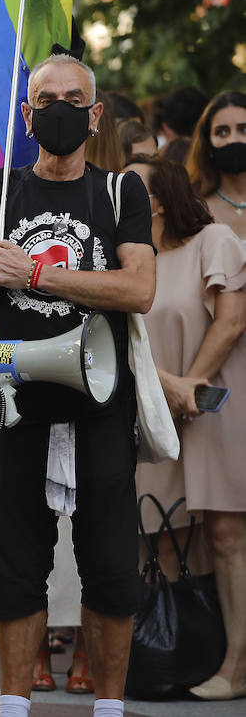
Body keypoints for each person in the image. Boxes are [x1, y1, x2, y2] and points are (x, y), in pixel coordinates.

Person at [0, 53, 156, 717]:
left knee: (113, 564)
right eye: (45, 99)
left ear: (94, 116)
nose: (57, 109)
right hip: (16, 403)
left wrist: (34, 274)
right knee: (14, 565)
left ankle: (110, 708)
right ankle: (12, 706)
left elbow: (137, 289)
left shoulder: (121, 193)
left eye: (73, 99)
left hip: (99, 404)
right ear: (27, 115)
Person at [127, 155, 246, 701]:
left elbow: (232, 320)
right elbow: (123, 345)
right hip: (158, 412)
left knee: (226, 535)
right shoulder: (130, 263)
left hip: (214, 407)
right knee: (164, 537)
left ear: (157, 199)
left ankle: (237, 666)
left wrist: (187, 388)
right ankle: (181, 655)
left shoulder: (214, 240)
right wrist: (167, 391)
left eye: (129, 188)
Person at [186, 90, 246, 243]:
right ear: (207, 144)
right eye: (222, 132)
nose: (233, 140)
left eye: (243, 130)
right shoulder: (193, 209)